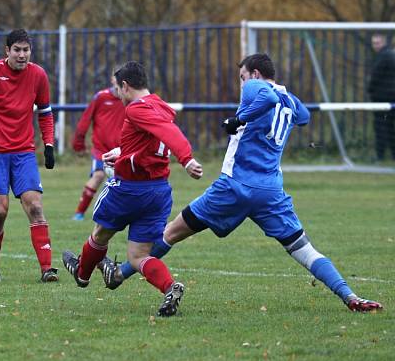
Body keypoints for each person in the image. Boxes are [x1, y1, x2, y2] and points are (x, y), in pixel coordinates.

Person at [101, 54, 382, 313]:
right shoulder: (287, 97)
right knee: (303, 248)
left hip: (234, 187)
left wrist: (239, 118)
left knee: (172, 232)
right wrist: (285, 100)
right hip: (270, 191)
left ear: (255, 74)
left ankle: (119, 273)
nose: (242, 85)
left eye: (242, 77)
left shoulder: (255, 88)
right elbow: (304, 116)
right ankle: (350, 296)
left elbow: (265, 100)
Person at [61, 61, 203, 317]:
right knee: (138, 256)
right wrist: (123, 153)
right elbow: (152, 139)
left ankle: (81, 274)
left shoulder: (136, 109)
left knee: (100, 233)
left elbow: (167, 132)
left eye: (118, 89)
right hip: (159, 191)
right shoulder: (161, 106)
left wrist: (186, 158)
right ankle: (170, 286)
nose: (117, 94)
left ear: (125, 86)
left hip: (129, 190)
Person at [0, 29, 58, 283]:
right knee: (0, 212)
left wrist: (49, 144)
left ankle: (47, 269)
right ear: (7, 51)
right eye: (17, 50)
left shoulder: (38, 75)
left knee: (35, 206)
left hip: (23, 152)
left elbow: (45, 112)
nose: (22, 55)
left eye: (26, 50)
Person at [71, 76, 124, 221]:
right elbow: (85, 120)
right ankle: (79, 213)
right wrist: (79, 143)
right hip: (102, 149)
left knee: (124, 182)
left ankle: (121, 214)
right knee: (98, 175)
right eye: (115, 78)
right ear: (112, 80)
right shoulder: (101, 97)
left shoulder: (130, 100)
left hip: (123, 149)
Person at [368, 33, 395, 162]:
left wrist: (370, 91)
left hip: (383, 99)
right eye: (374, 43)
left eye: (377, 43)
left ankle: (380, 156)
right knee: (389, 127)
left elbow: (375, 77)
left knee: (381, 127)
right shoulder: (390, 55)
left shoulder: (383, 57)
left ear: (384, 42)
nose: (375, 46)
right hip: (389, 99)